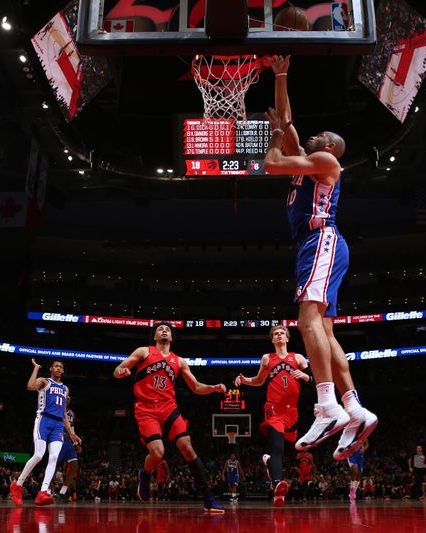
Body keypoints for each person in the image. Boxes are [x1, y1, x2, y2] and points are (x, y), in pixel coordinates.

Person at [262, 55, 377, 459]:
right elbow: (287, 120)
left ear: (329, 146)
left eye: (318, 136)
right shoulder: (308, 165)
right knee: (326, 333)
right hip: (321, 246)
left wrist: (275, 137)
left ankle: (326, 404)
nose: (308, 137)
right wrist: (281, 74)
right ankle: (355, 408)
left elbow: (271, 163)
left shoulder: (325, 161)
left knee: (306, 319)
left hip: (321, 240)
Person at [113, 322, 226, 513]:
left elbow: (196, 387)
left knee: (187, 446)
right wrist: (121, 372)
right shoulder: (143, 352)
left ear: (172, 338)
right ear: (155, 337)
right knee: (158, 453)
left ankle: (208, 498)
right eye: (160, 329)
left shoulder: (179, 361)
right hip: (146, 409)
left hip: (169, 408)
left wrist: (213, 387)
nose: (164, 330)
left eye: (168, 330)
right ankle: (145, 473)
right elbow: (118, 369)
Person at [234, 324, 311, 506]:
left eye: (281, 333)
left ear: (287, 338)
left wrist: (306, 377)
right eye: (275, 334)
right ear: (272, 339)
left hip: (292, 410)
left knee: (291, 450)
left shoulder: (298, 358)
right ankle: (277, 486)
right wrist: (245, 380)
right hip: (274, 409)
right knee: (277, 447)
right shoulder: (267, 358)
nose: (278, 335)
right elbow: (259, 381)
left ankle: (267, 461)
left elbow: (312, 381)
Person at [9, 359, 81, 506]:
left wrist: (71, 433)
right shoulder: (44, 381)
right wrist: (36, 368)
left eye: (61, 367)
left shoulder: (65, 389)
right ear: (51, 369)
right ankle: (18, 485)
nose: (59, 368)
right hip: (44, 420)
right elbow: (30, 386)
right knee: (39, 455)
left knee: (54, 457)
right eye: (56, 366)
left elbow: (63, 415)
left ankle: (42, 492)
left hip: (58, 425)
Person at [56, 396, 80, 502]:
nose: (67, 400)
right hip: (58, 439)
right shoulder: (56, 409)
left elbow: (72, 429)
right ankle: (46, 490)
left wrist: (75, 443)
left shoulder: (71, 413)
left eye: (69, 399)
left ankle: (63, 491)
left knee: (75, 466)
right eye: (66, 398)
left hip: (69, 441)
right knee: (54, 465)